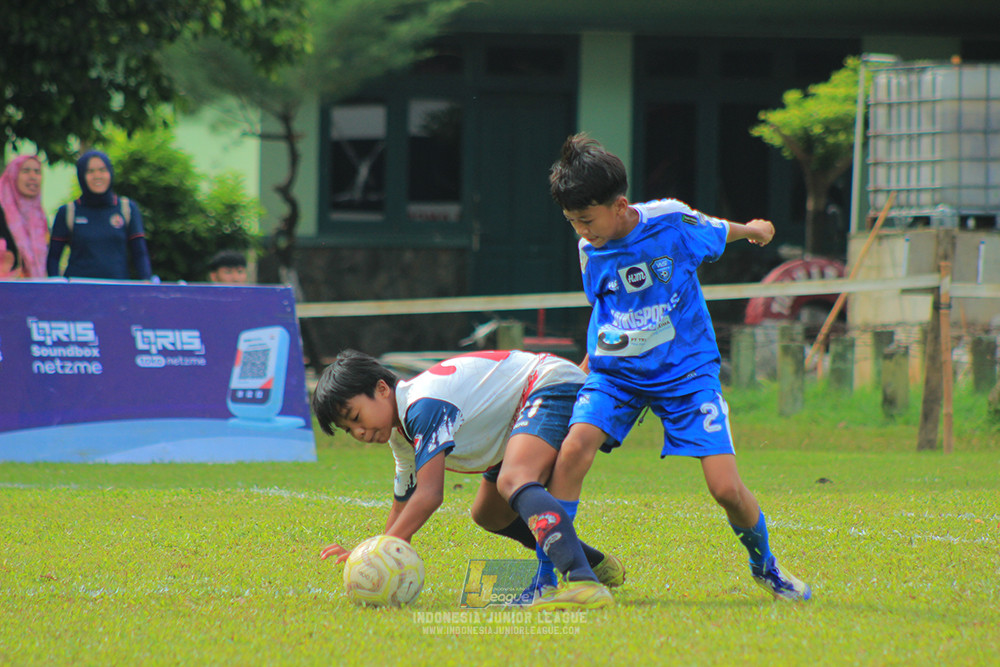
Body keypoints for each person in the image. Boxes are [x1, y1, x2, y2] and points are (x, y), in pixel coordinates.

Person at [545, 133, 811, 603]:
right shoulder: (590, 247)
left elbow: (713, 228)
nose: (580, 231)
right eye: (571, 222)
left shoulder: (670, 221)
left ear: (620, 204)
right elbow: (607, 307)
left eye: (586, 219)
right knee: (571, 452)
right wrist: (585, 365)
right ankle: (549, 577)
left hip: (686, 373)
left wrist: (752, 229)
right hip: (618, 373)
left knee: (725, 488)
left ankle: (765, 567)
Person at [313, 349, 624, 609]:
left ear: (382, 389)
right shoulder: (402, 432)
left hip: (548, 385)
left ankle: (581, 579)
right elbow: (404, 503)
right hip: (512, 420)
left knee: (514, 479)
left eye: (355, 418)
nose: (359, 433)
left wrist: (382, 552)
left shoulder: (423, 407)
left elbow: (429, 495)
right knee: (489, 513)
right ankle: (595, 563)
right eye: (348, 429)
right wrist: (372, 554)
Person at [46, 151, 152, 280]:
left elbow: (140, 254)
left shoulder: (127, 208)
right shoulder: (68, 212)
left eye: (102, 170)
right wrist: (56, 286)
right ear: (81, 175)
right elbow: (53, 257)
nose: (97, 176)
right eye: (90, 171)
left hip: (117, 293)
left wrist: (147, 285)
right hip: (77, 293)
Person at [0, 155, 49, 278]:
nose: (32, 177)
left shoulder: (40, 218)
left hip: (34, 291)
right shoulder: (2, 212)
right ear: (13, 175)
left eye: (37, 172)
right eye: (25, 171)